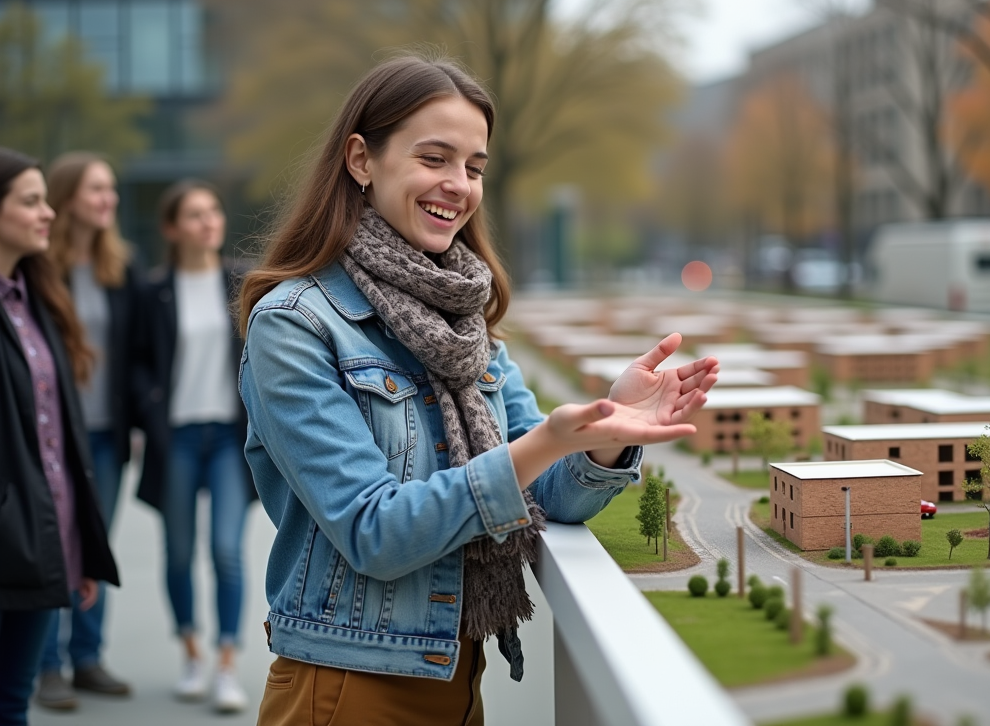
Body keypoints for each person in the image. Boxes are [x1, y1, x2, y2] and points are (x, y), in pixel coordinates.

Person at [237, 55, 719, 725]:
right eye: (434, 158)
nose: (458, 185)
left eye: (474, 166)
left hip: (459, 678)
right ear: (360, 159)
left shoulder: (465, 324)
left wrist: (604, 435)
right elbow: (374, 531)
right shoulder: (295, 325)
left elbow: (545, 496)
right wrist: (546, 441)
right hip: (348, 685)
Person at [0, 147, 120, 726]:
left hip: (45, 541)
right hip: (9, 541)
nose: (46, 213)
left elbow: (57, 443)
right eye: (30, 201)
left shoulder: (36, 298)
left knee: (11, 704)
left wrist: (79, 549)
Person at [135, 179, 253, 713]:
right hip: (177, 438)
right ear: (171, 228)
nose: (209, 221)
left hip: (228, 439)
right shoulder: (152, 290)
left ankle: (227, 664)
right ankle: (190, 651)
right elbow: (135, 365)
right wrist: (151, 413)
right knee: (179, 553)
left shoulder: (243, 282)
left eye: (214, 210)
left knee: (226, 550)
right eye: (194, 214)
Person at [35, 152, 137, 710]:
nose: (109, 199)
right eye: (98, 189)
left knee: (95, 545)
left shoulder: (120, 268)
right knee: (55, 544)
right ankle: (46, 664)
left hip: (106, 435)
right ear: (68, 195)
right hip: (51, 438)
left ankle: (88, 657)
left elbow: (137, 356)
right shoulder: (35, 268)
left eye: (113, 189)